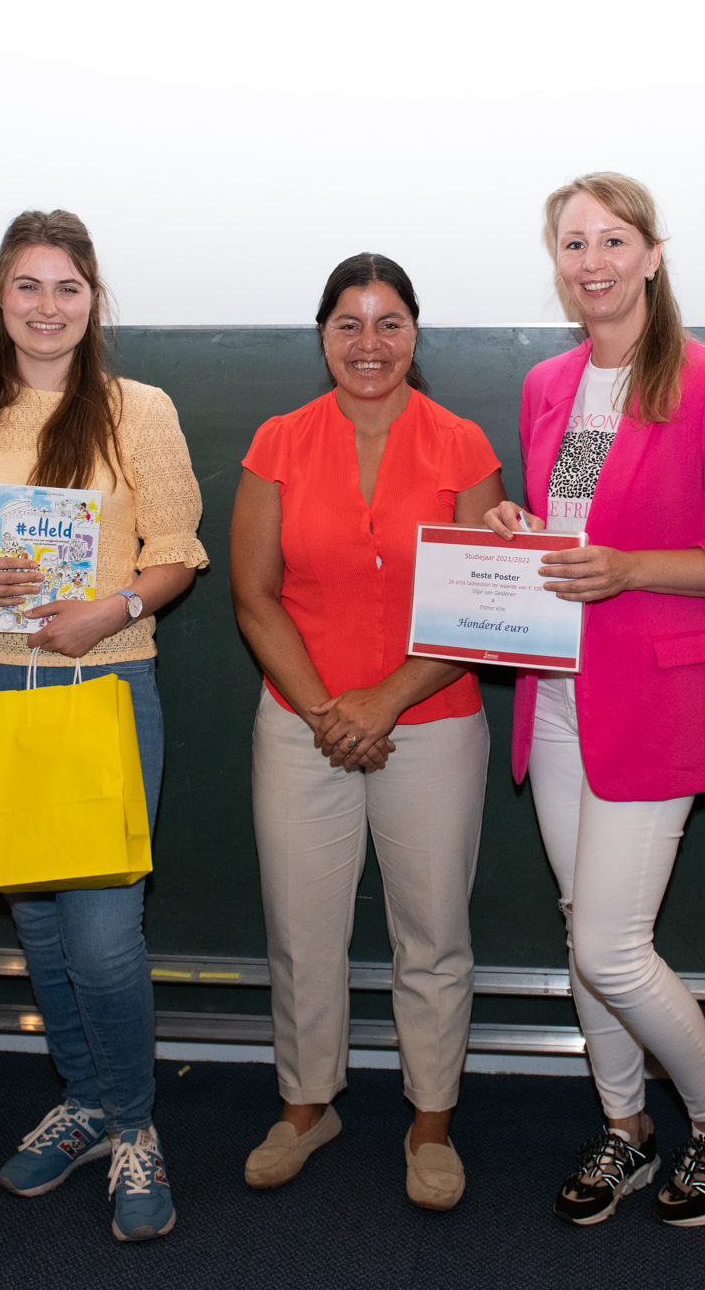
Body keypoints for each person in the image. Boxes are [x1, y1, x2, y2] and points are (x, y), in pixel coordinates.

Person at [484, 173, 705, 1227]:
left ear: (652, 255)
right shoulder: (550, 386)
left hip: (657, 699)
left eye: (612, 241)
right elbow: (575, 526)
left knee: (611, 944)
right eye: (573, 244)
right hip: (558, 693)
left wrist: (630, 568)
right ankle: (626, 1128)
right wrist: (530, 533)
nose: (593, 263)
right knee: (584, 928)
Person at [0, 210, 207, 1244]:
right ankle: (83, 1096)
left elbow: (176, 550)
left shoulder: (141, 410)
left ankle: (133, 1123)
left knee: (104, 936)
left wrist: (113, 607)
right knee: (37, 920)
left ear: (93, 300)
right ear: (0, 298)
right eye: (27, 286)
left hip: (104, 685)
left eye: (67, 286)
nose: (47, 306)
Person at [229, 253, 506, 1211]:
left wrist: (381, 702)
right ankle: (309, 1106)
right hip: (302, 722)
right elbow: (254, 596)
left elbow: (480, 605)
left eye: (389, 324)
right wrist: (326, 712)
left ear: (415, 334)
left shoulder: (464, 445)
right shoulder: (277, 441)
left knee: (431, 933)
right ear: (323, 337)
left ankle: (430, 1120)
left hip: (430, 721)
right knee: (303, 930)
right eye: (349, 324)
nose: (369, 344)